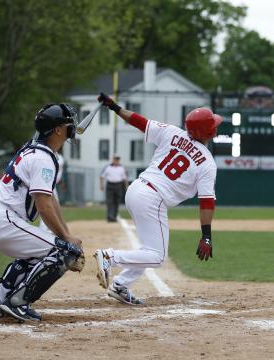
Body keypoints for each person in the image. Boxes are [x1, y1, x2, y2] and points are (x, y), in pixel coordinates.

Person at [93, 93, 221, 305]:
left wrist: (115, 107)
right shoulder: (207, 163)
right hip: (153, 198)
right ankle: (109, 257)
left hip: (136, 189)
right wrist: (206, 236)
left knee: (149, 248)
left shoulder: (172, 132)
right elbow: (206, 202)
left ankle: (120, 285)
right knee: (157, 256)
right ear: (208, 132)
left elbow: (139, 122)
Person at [0, 104, 84, 322]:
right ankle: (18, 302)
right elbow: (43, 206)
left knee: (36, 251)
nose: (71, 126)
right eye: (68, 123)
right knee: (64, 252)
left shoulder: (35, 150)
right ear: (57, 130)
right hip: (3, 219)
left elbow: (50, 199)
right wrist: (66, 240)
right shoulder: (43, 158)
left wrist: (66, 233)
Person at [39, 152, 65, 232]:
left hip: (51, 184)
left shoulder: (57, 157)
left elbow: (58, 175)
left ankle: (46, 229)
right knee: (49, 207)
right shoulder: (57, 158)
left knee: (51, 207)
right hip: (48, 184)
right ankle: (45, 230)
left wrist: (60, 183)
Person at [100, 155, 128, 222]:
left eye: (118, 159)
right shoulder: (108, 167)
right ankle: (109, 217)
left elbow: (125, 179)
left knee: (116, 202)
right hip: (110, 185)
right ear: (113, 160)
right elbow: (101, 177)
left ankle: (114, 217)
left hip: (118, 185)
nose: (117, 161)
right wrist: (101, 185)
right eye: (115, 159)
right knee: (109, 201)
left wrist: (126, 187)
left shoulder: (122, 168)